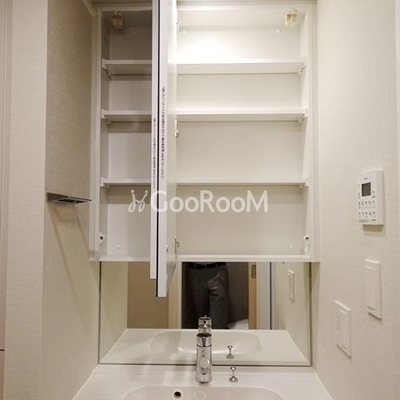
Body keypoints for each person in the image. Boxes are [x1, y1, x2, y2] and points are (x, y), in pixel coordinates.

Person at [187, 262, 230, 329]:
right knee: (201, 322)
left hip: (218, 268)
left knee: (218, 324)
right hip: (195, 270)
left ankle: (218, 335)